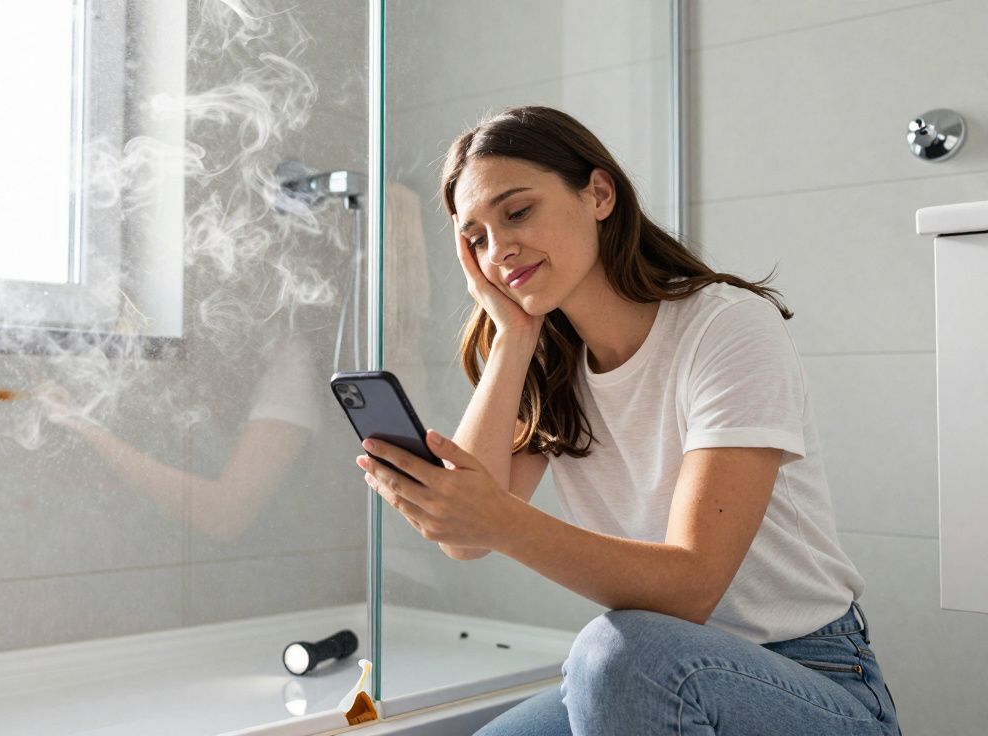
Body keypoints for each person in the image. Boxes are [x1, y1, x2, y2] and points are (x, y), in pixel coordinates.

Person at [353, 106, 903, 735]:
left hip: (810, 676)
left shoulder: (726, 328)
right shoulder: (551, 364)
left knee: (613, 653)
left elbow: (693, 586)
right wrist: (513, 336)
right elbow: (466, 539)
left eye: (518, 212)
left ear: (599, 194)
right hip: (657, 671)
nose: (498, 249)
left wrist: (499, 518)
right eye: (475, 238)